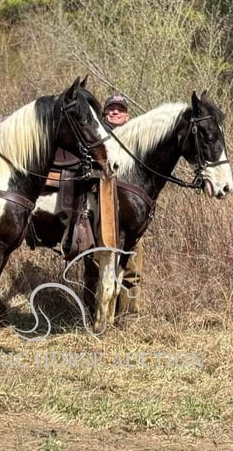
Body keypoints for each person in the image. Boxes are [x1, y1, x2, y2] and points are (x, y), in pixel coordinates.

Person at [102, 93, 143, 314]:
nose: (115, 112)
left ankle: (128, 315)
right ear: (104, 114)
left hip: (132, 215)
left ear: (127, 116)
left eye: (120, 109)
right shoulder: (96, 138)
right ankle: (94, 312)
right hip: (100, 213)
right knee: (97, 266)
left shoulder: (138, 140)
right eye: (111, 109)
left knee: (131, 267)